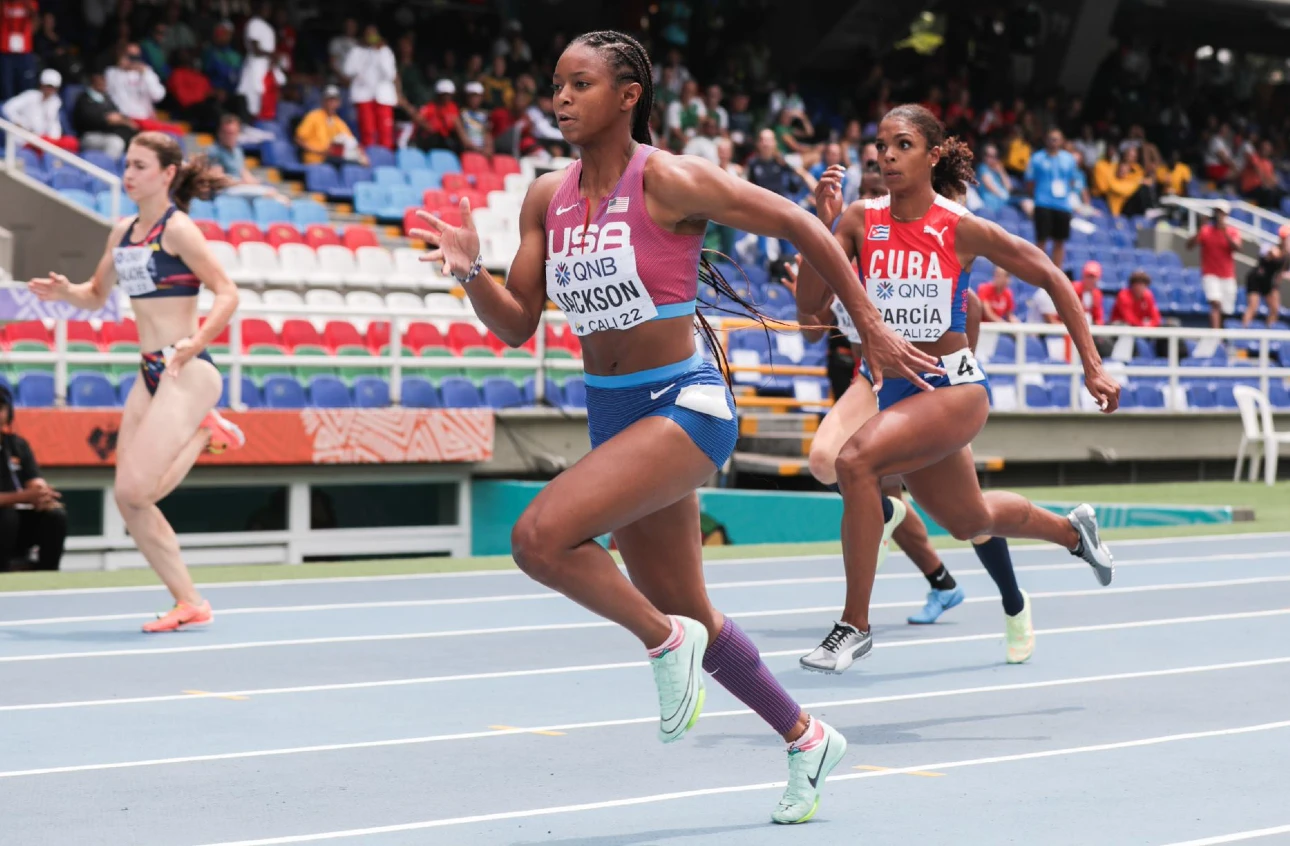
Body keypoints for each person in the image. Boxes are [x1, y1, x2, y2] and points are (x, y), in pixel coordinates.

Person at [409, 30, 937, 825]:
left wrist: (867, 325)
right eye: (556, 84)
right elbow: (517, 322)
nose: (560, 98)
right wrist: (469, 274)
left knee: (538, 540)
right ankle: (805, 736)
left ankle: (661, 644)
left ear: (629, 96)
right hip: (613, 418)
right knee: (693, 610)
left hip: (686, 407)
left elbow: (800, 223)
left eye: (580, 84)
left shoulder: (671, 180)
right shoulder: (544, 196)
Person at [793, 105, 1118, 673]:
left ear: (933, 155)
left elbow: (1053, 276)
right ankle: (1071, 531)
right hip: (897, 393)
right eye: (881, 146)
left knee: (855, 462)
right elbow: (809, 315)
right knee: (969, 521)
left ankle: (854, 626)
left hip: (954, 389)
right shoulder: (856, 220)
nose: (888, 156)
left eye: (903, 145)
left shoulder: (958, 226)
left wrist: (1091, 365)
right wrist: (822, 235)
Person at [26, 131, 246, 631]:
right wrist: (65, 292)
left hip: (185, 368)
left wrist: (197, 340)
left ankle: (207, 430)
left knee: (135, 490)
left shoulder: (180, 231)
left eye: (140, 165)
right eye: (127, 164)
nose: (128, 173)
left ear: (167, 174)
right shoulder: (122, 231)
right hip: (149, 370)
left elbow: (228, 293)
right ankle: (190, 601)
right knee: (129, 498)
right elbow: (95, 294)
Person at [0, 385, 67, 572]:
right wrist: (23, 497)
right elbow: (23, 497)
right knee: (7, 517)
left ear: (9, 413)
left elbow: (34, 481)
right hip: (5, 522)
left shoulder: (16, 445)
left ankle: (48, 574)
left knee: (55, 515)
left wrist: (43, 495)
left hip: (16, 525)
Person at [1025, 128, 1080, 274]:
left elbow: (1073, 181)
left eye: (1056, 139)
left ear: (1061, 141)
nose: (1053, 142)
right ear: (1046, 140)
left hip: (1063, 205)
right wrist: (1036, 196)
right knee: (1042, 239)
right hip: (1043, 203)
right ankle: (1038, 270)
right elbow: (1030, 182)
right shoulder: (1037, 158)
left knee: (1059, 241)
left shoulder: (1069, 159)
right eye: (1051, 138)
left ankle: (1056, 272)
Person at [1188, 201, 1241, 331]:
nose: (1219, 216)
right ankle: (1216, 335)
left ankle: (1220, 335)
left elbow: (1237, 248)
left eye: (1221, 213)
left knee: (1226, 310)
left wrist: (1225, 232)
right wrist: (1200, 228)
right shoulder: (1205, 230)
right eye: (1217, 212)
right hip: (1210, 274)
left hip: (1227, 275)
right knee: (1215, 303)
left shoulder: (1232, 231)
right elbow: (1189, 246)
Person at [1243, 226, 1287, 328]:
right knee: (1253, 306)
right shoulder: (1270, 248)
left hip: (1268, 282)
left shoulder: (1286, 256)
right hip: (1256, 279)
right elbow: (1272, 256)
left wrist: (1275, 287)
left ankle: (1268, 332)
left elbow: (1280, 273)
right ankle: (1243, 331)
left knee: (1275, 308)